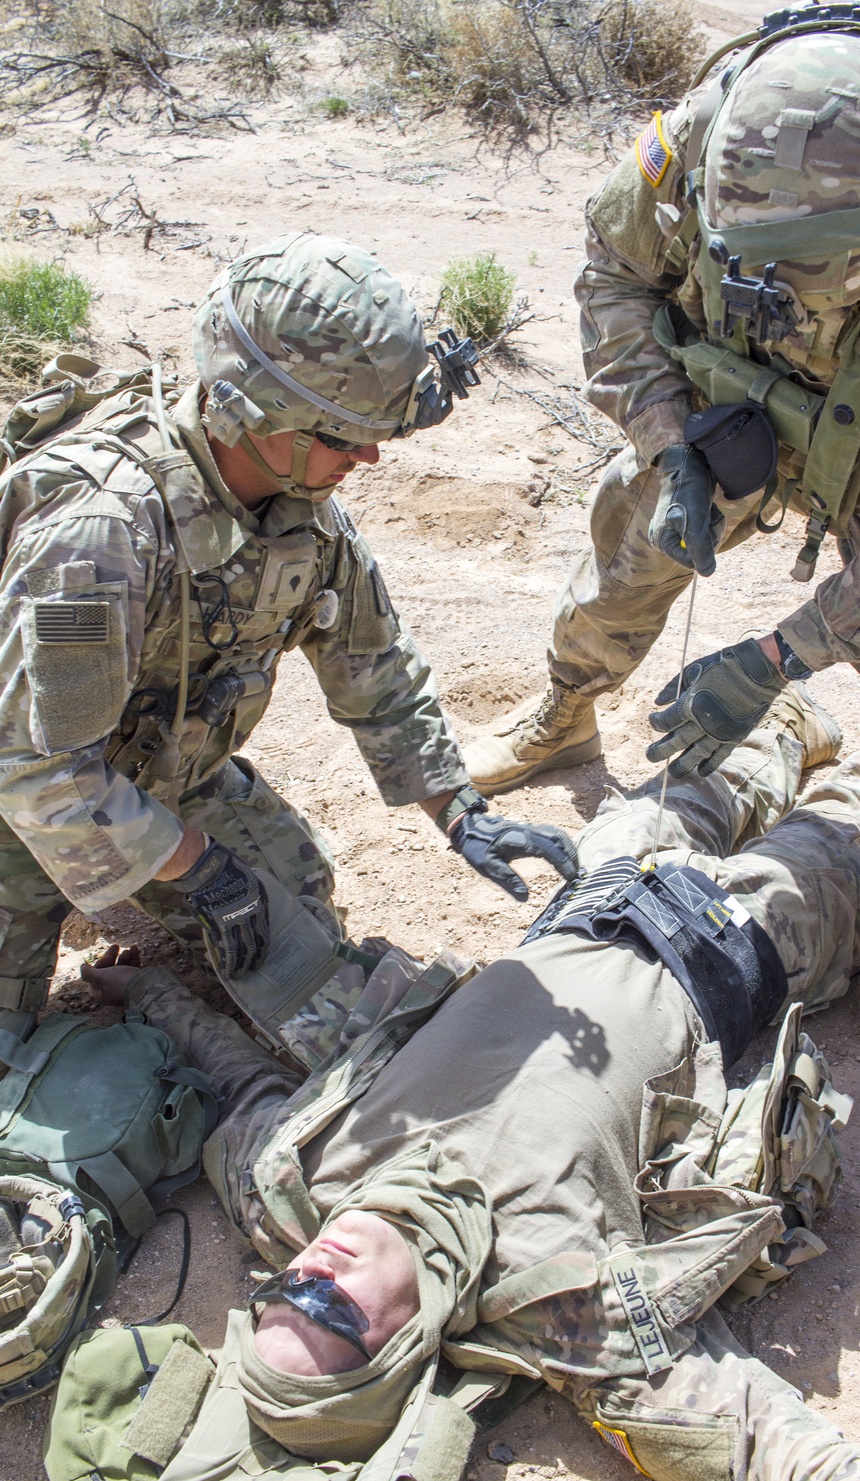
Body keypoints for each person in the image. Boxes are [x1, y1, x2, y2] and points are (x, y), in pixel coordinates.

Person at [83, 685, 860, 1481]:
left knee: (689, 792)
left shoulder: (288, 1188)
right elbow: (749, 1441)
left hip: (593, 899)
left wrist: (152, 994)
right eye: (328, 1312)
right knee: (859, 817)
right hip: (740, 942)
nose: (309, 1273)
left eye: (279, 1298)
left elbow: (240, 1083)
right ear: (402, 1346)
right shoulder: (554, 1301)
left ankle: (782, 733)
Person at [464, 8, 860, 1145]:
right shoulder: (715, 136)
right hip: (744, 415)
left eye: (802, 266)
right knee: (635, 536)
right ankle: (566, 712)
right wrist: (672, 447)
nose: (770, 276)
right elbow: (609, 274)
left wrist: (775, 657)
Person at [0, 231, 577, 1062]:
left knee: (296, 916)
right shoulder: (99, 535)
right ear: (254, 412)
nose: (370, 457)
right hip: (18, 793)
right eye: (344, 436)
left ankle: (133, 877)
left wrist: (460, 810)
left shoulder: (296, 501)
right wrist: (195, 867)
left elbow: (374, 665)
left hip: (161, 769)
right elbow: (37, 767)